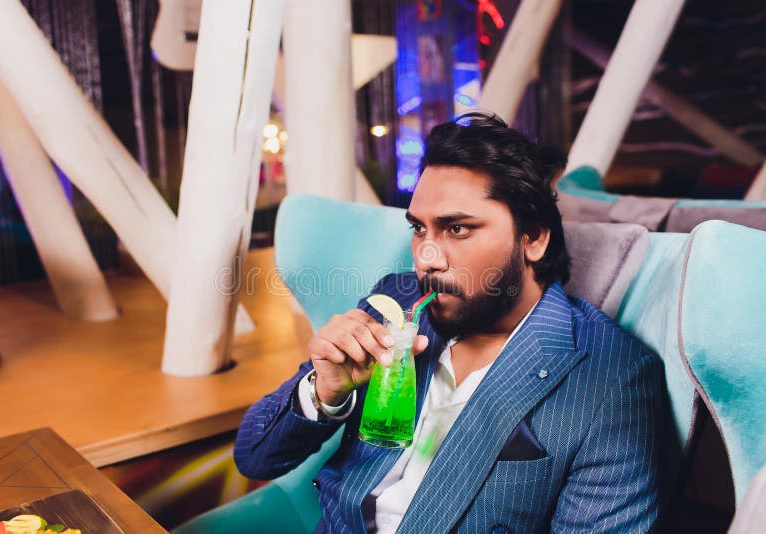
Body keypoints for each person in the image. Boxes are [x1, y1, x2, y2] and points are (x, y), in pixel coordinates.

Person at [235, 112, 666, 533]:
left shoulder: (612, 380)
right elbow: (254, 456)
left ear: (533, 237)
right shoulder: (398, 302)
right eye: (419, 229)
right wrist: (325, 391)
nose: (426, 257)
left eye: (457, 229)